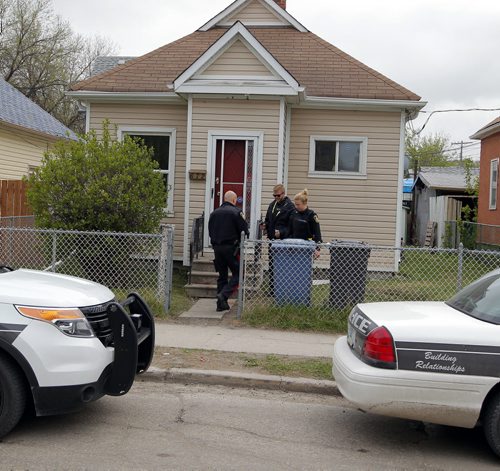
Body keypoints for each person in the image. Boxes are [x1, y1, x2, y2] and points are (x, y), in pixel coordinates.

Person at [208, 191, 249, 311]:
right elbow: (244, 231)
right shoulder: (237, 212)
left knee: (222, 276)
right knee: (239, 273)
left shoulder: (214, 213)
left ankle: (221, 305)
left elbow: (210, 231)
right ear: (234, 200)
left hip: (217, 248)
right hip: (231, 249)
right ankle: (224, 295)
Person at [262, 184, 295, 296]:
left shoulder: (290, 206)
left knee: (281, 265)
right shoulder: (272, 205)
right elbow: (267, 219)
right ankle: (272, 289)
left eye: (278, 195)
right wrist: (265, 228)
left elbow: (291, 226)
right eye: (274, 195)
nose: (276, 197)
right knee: (272, 264)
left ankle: (281, 290)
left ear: (283, 194)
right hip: (272, 240)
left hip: (283, 240)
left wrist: (281, 232)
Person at [285, 189, 322, 257]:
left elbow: (317, 233)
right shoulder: (293, 214)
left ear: (304, 203)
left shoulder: (312, 215)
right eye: (295, 204)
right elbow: (289, 230)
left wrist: (317, 249)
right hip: (294, 247)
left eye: (298, 204)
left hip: (307, 247)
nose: (296, 207)